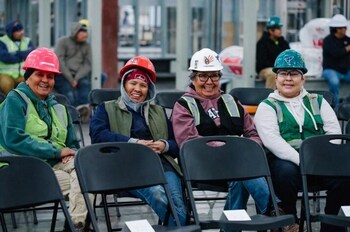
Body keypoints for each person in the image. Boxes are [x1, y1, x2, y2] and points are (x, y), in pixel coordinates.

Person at [171, 48, 280, 221]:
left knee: (240, 174)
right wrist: (231, 149)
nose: (209, 81)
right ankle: (273, 209)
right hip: (202, 164)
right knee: (243, 169)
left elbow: (252, 133)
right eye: (203, 76)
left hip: (238, 163)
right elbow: (189, 143)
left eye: (214, 75)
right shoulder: (184, 106)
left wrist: (247, 148)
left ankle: (233, 225)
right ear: (193, 78)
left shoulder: (231, 101)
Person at [254, 49, 350, 232]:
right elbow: (272, 140)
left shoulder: (318, 101)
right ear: (276, 79)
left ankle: (331, 225)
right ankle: (290, 222)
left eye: (294, 74)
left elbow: (333, 131)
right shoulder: (267, 106)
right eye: (283, 74)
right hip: (286, 160)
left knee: (343, 176)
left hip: (321, 158)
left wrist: (319, 159)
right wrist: (302, 161)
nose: (288, 79)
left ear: (303, 79)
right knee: (285, 172)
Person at [89, 56, 187, 226]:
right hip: (125, 168)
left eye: (143, 85)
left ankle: (178, 227)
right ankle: (183, 229)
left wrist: (165, 145)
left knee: (178, 202)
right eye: (132, 83)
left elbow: (178, 142)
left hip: (162, 165)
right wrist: (133, 144)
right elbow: (98, 136)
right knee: (157, 193)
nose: (137, 89)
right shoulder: (106, 108)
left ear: (149, 89)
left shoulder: (161, 112)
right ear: (124, 85)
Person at [0, 47, 88, 231]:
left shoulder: (59, 108)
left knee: (88, 168)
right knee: (86, 182)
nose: (45, 81)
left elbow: (72, 144)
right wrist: (56, 151)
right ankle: (78, 227)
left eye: (50, 76)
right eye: (40, 74)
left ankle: (75, 226)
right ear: (28, 76)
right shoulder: (14, 100)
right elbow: (14, 139)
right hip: (20, 167)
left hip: (56, 164)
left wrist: (70, 154)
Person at [54, 21, 92, 108]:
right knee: (69, 95)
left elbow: (87, 64)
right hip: (62, 75)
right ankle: (72, 115)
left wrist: (77, 78)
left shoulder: (87, 46)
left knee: (85, 91)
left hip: (79, 76)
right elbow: (59, 61)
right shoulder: (63, 42)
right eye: (82, 31)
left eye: (86, 32)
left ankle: (83, 114)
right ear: (75, 32)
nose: (85, 34)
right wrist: (71, 79)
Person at [0, 20, 35, 95]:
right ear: (11, 33)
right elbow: (4, 57)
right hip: (6, 74)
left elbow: (32, 53)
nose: (21, 32)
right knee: (7, 84)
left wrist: (15, 54)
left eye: (21, 29)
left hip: (23, 74)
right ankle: (8, 103)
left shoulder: (27, 41)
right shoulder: (2, 41)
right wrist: (23, 55)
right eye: (18, 31)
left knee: (30, 85)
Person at [322, 14, 350, 106]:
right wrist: (347, 48)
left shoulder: (348, 40)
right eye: (342, 28)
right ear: (336, 29)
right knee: (334, 82)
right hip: (330, 70)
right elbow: (336, 53)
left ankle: (347, 104)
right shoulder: (328, 40)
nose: (345, 30)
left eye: (345, 27)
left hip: (345, 71)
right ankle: (335, 108)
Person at [256, 16, 290, 89]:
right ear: (270, 31)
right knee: (273, 73)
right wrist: (278, 67)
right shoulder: (262, 43)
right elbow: (262, 63)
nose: (280, 31)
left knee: (297, 74)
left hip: (281, 69)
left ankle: (294, 97)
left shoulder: (283, 43)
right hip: (265, 70)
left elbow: (289, 57)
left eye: (280, 28)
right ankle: (270, 98)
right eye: (277, 29)